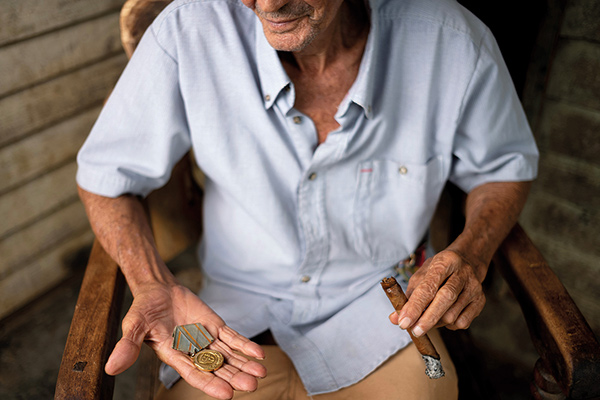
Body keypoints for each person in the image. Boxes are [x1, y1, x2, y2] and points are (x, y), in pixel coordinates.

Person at [76, 0, 538, 398]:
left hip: (383, 308)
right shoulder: (189, 27)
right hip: (230, 312)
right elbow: (105, 177)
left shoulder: (451, 40)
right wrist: (151, 281)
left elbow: (503, 168)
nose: (268, 4)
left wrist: (473, 255)